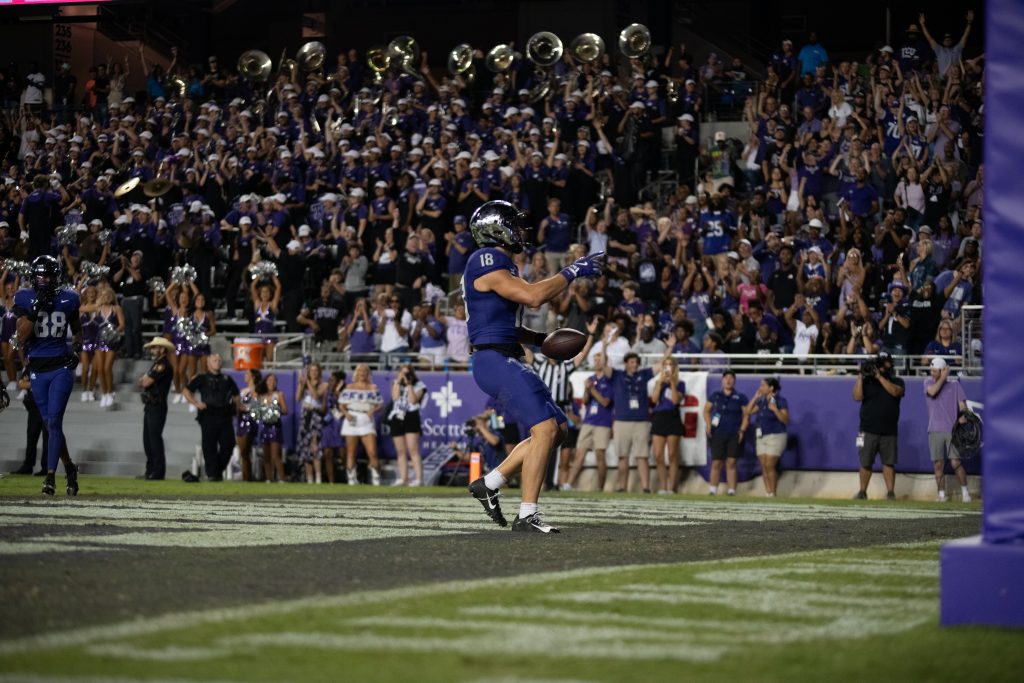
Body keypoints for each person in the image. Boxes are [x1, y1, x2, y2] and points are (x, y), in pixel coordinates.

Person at [465, 200, 604, 533]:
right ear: (497, 228)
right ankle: (527, 514)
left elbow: (503, 322)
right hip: (493, 359)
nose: (520, 231)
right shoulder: (486, 259)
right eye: (514, 224)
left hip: (506, 354)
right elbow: (532, 297)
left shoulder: (503, 265)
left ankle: (491, 482)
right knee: (543, 430)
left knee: (558, 429)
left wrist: (540, 339)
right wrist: (573, 270)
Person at [12, 255, 82, 496]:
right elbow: (21, 336)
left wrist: (77, 351)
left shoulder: (69, 298)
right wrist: (35, 309)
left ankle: (50, 477)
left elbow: (78, 334)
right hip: (37, 370)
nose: (46, 279)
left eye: (50, 275)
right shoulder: (24, 297)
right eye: (42, 275)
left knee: (54, 422)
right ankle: (70, 468)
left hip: (61, 367)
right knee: (51, 425)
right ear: (34, 276)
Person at [605, 350, 670, 493]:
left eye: (636, 362)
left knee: (642, 456)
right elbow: (604, 365)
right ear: (626, 364)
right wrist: (604, 345)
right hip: (622, 421)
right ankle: (622, 487)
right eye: (632, 362)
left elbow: (660, 365)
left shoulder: (643, 374)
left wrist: (669, 349)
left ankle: (646, 488)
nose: (635, 365)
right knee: (622, 456)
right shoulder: (617, 375)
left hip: (641, 421)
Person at [852, 352, 906, 500]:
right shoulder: (867, 381)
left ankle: (890, 493)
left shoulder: (897, 380)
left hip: (889, 431)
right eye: (880, 363)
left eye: (884, 363)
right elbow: (856, 397)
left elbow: (895, 392)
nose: (881, 366)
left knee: (888, 463)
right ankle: (862, 492)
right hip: (867, 430)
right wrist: (860, 376)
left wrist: (880, 377)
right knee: (865, 462)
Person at [183, 353, 241, 481]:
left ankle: (217, 471)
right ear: (208, 362)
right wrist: (196, 403)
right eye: (215, 360)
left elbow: (237, 395)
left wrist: (236, 409)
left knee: (229, 444)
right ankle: (212, 474)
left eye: (220, 360)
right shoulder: (201, 378)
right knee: (209, 446)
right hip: (208, 414)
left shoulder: (227, 379)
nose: (218, 362)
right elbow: (186, 391)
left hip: (225, 415)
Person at [564, 351, 613, 492]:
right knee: (580, 454)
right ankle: (568, 484)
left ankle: (600, 487)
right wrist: (586, 390)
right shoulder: (590, 378)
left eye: (599, 360)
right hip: (588, 421)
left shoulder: (609, 381)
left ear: (605, 362)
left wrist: (592, 389)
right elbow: (585, 401)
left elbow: (605, 402)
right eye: (595, 360)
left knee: (600, 455)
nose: (597, 362)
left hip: (603, 422)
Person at [924, 357, 971, 502]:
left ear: (942, 369)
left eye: (934, 370)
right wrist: (943, 377)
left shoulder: (955, 385)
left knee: (955, 462)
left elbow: (962, 405)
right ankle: (942, 495)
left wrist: (962, 416)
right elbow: (932, 392)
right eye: (931, 370)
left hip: (952, 430)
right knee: (938, 464)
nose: (931, 373)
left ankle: (965, 494)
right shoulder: (928, 382)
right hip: (934, 429)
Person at [704, 370, 749, 496]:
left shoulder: (740, 397)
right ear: (722, 380)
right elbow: (706, 410)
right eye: (726, 378)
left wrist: (742, 430)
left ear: (734, 381)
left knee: (731, 462)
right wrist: (708, 425)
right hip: (717, 433)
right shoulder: (715, 395)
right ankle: (713, 490)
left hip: (734, 433)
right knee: (716, 461)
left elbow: (746, 415)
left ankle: (731, 491)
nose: (728, 380)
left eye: (731, 378)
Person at [744, 377, 790, 497]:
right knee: (763, 466)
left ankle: (773, 493)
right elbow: (748, 412)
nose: (760, 388)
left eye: (763, 385)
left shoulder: (780, 401)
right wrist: (755, 398)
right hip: (761, 436)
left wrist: (775, 410)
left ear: (771, 388)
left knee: (770, 465)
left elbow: (786, 420)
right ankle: (768, 492)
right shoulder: (762, 401)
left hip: (776, 436)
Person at [339, 364, 383, 485]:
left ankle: (376, 479)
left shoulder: (373, 387)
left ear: (368, 373)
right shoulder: (350, 387)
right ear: (356, 373)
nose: (362, 373)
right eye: (360, 371)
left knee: (372, 451)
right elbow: (342, 405)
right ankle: (352, 480)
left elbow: (380, 404)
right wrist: (346, 413)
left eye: (365, 371)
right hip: (352, 418)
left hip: (366, 419)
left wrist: (372, 410)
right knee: (351, 452)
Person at [138, 337, 174, 480]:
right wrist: (144, 379)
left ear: (162, 349)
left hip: (157, 406)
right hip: (150, 406)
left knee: (154, 439)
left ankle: (158, 472)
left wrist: (144, 379)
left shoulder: (162, 364)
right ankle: (150, 470)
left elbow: (145, 382)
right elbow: (142, 381)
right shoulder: (157, 364)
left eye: (154, 347)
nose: (152, 350)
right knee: (147, 440)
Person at [649, 355, 686, 494]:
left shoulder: (680, 384)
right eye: (665, 365)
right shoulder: (658, 382)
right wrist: (660, 383)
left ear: (674, 367)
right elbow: (654, 399)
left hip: (673, 417)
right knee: (658, 455)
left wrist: (671, 383)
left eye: (670, 365)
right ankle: (663, 486)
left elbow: (676, 400)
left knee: (672, 455)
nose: (667, 367)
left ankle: (672, 487)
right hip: (659, 417)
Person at [387, 364, 428, 486]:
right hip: (397, 416)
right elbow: (395, 397)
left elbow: (413, 400)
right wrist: (398, 381)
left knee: (413, 449)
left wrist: (409, 384)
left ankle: (419, 479)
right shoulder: (396, 383)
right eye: (402, 372)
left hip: (411, 416)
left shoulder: (419, 385)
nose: (404, 375)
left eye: (407, 373)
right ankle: (403, 478)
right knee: (400, 451)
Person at [296, 363, 328, 483]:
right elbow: (298, 398)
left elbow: (315, 396)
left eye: (315, 371)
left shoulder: (324, 385)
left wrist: (307, 382)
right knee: (305, 449)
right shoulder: (304, 385)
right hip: (305, 417)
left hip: (316, 418)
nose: (313, 373)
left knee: (315, 447)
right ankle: (309, 478)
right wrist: (301, 383)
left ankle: (318, 477)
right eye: (311, 371)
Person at [10, 370, 47, 475]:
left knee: (47, 437)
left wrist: (31, 385)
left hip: (48, 404)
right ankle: (28, 465)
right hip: (34, 405)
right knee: (31, 436)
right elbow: (21, 383)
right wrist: (33, 384)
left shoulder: (49, 363)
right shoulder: (31, 366)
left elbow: (46, 384)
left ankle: (47, 467)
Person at [256, 373, 288, 483]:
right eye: (269, 380)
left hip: (275, 426)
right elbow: (256, 412)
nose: (272, 382)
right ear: (266, 382)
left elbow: (285, 410)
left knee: (275, 455)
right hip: (265, 426)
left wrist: (275, 411)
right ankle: (269, 478)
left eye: (274, 380)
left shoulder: (279, 394)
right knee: (266, 455)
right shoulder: (261, 395)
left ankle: (282, 478)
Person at [320, 370, 346, 484]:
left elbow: (344, 405)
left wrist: (337, 391)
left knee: (343, 453)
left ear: (339, 381)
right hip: (328, 423)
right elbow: (324, 408)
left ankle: (349, 477)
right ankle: (331, 481)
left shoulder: (345, 391)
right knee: (327, 453)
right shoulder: (327, 391)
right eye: (329, 379)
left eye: (332, 379)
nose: (329, 381)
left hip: (340, 423)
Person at [235, 368, 261, 482]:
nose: (245, 375)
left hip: (250, 421)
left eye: (247, 374)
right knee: (243, 453)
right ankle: (246, 477)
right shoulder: (243, 390)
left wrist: (241, 406)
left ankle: (248, 477)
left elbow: (255, 408)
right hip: (241, 421)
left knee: (245, 450)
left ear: (253, 377)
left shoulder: (256, 390)